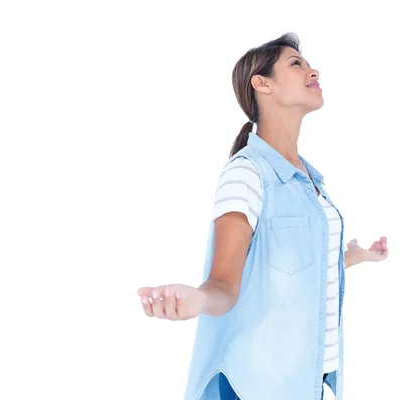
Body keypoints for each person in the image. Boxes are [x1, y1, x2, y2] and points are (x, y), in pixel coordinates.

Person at [136, 32, 388, 400]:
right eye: (296, 63)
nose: (312, 69)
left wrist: (354, 253)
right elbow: (224, 283)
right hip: (255, 386)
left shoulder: (309, 181)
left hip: (307, 384)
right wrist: (198, 298)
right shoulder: (247, 174)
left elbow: (294, 263)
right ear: (261, 83)